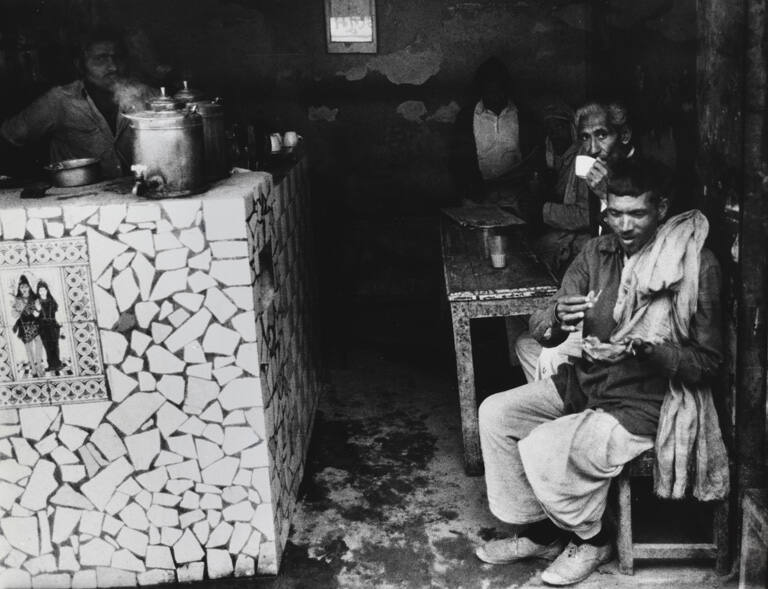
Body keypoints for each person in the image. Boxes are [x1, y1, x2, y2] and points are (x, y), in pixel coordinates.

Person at [475, 158, 723, 586]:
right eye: (615, 213)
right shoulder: (597, 252)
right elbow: (543, 326)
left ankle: (594, 539)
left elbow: (709, 363)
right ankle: (541, 532)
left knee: (547, 445)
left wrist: (648, 349)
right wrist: (558, 315)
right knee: (497, 414)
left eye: (637, 213)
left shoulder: (695, 264)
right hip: (589, 383)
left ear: (661, 208)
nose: (624, 225)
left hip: (649, 401)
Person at [515, 101, 636, 383]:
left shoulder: (641, 179)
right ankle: (572, 401)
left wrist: (606, 195)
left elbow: (637, 252)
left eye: (601, 135)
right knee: (527, 344)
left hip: (628, 312)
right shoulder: (598, 176)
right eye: (584, 137)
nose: (592, 148)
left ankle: (574, 401)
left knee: (551, 355)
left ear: (624, 135)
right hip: (598, 299)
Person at [0, 26, 155, 179]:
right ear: (80, 65)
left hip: (132, 190)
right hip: (77, 193)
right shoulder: (59, 100)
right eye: (100, 59)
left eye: (117, 57)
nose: (113, 67)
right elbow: (9, 136)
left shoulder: (145, 95)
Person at [454, 57, 541, 220]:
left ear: (506, 88)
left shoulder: (524, 115)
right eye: (489, 88)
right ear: (481, 89)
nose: (494, 93)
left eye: (498, 88)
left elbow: (534, 157)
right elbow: (457, 160)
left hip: (514, 200)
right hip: (476, 199)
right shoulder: (466, 117)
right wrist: (473, 188)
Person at [11, 275, 45, 379]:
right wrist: (17, 310)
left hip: (36, 324)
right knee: (28, 349)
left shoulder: (35, 298)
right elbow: (14, 314)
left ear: (29, 287)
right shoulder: (17, 299)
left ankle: (39, 366)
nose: (24, 289)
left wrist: (37, 310)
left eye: (26, 286)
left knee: (39, 346)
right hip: (24, 326)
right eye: (21, 287)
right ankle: (33, 368)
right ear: (19, 288)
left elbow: (39, 312)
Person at [36, 280, 62, 374]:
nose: (42, 292)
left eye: (43, 290)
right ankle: (51, 365)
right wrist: (37, 309)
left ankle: (57, 365)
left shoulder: (52, 301)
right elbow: (35, 315)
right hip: (43, 327)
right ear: (38, 292)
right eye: (40, 290)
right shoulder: (37, 302)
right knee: (47, 346)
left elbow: (57, 313)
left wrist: (60, 324)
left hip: (53, 325)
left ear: (47, 290)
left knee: (55, 345)